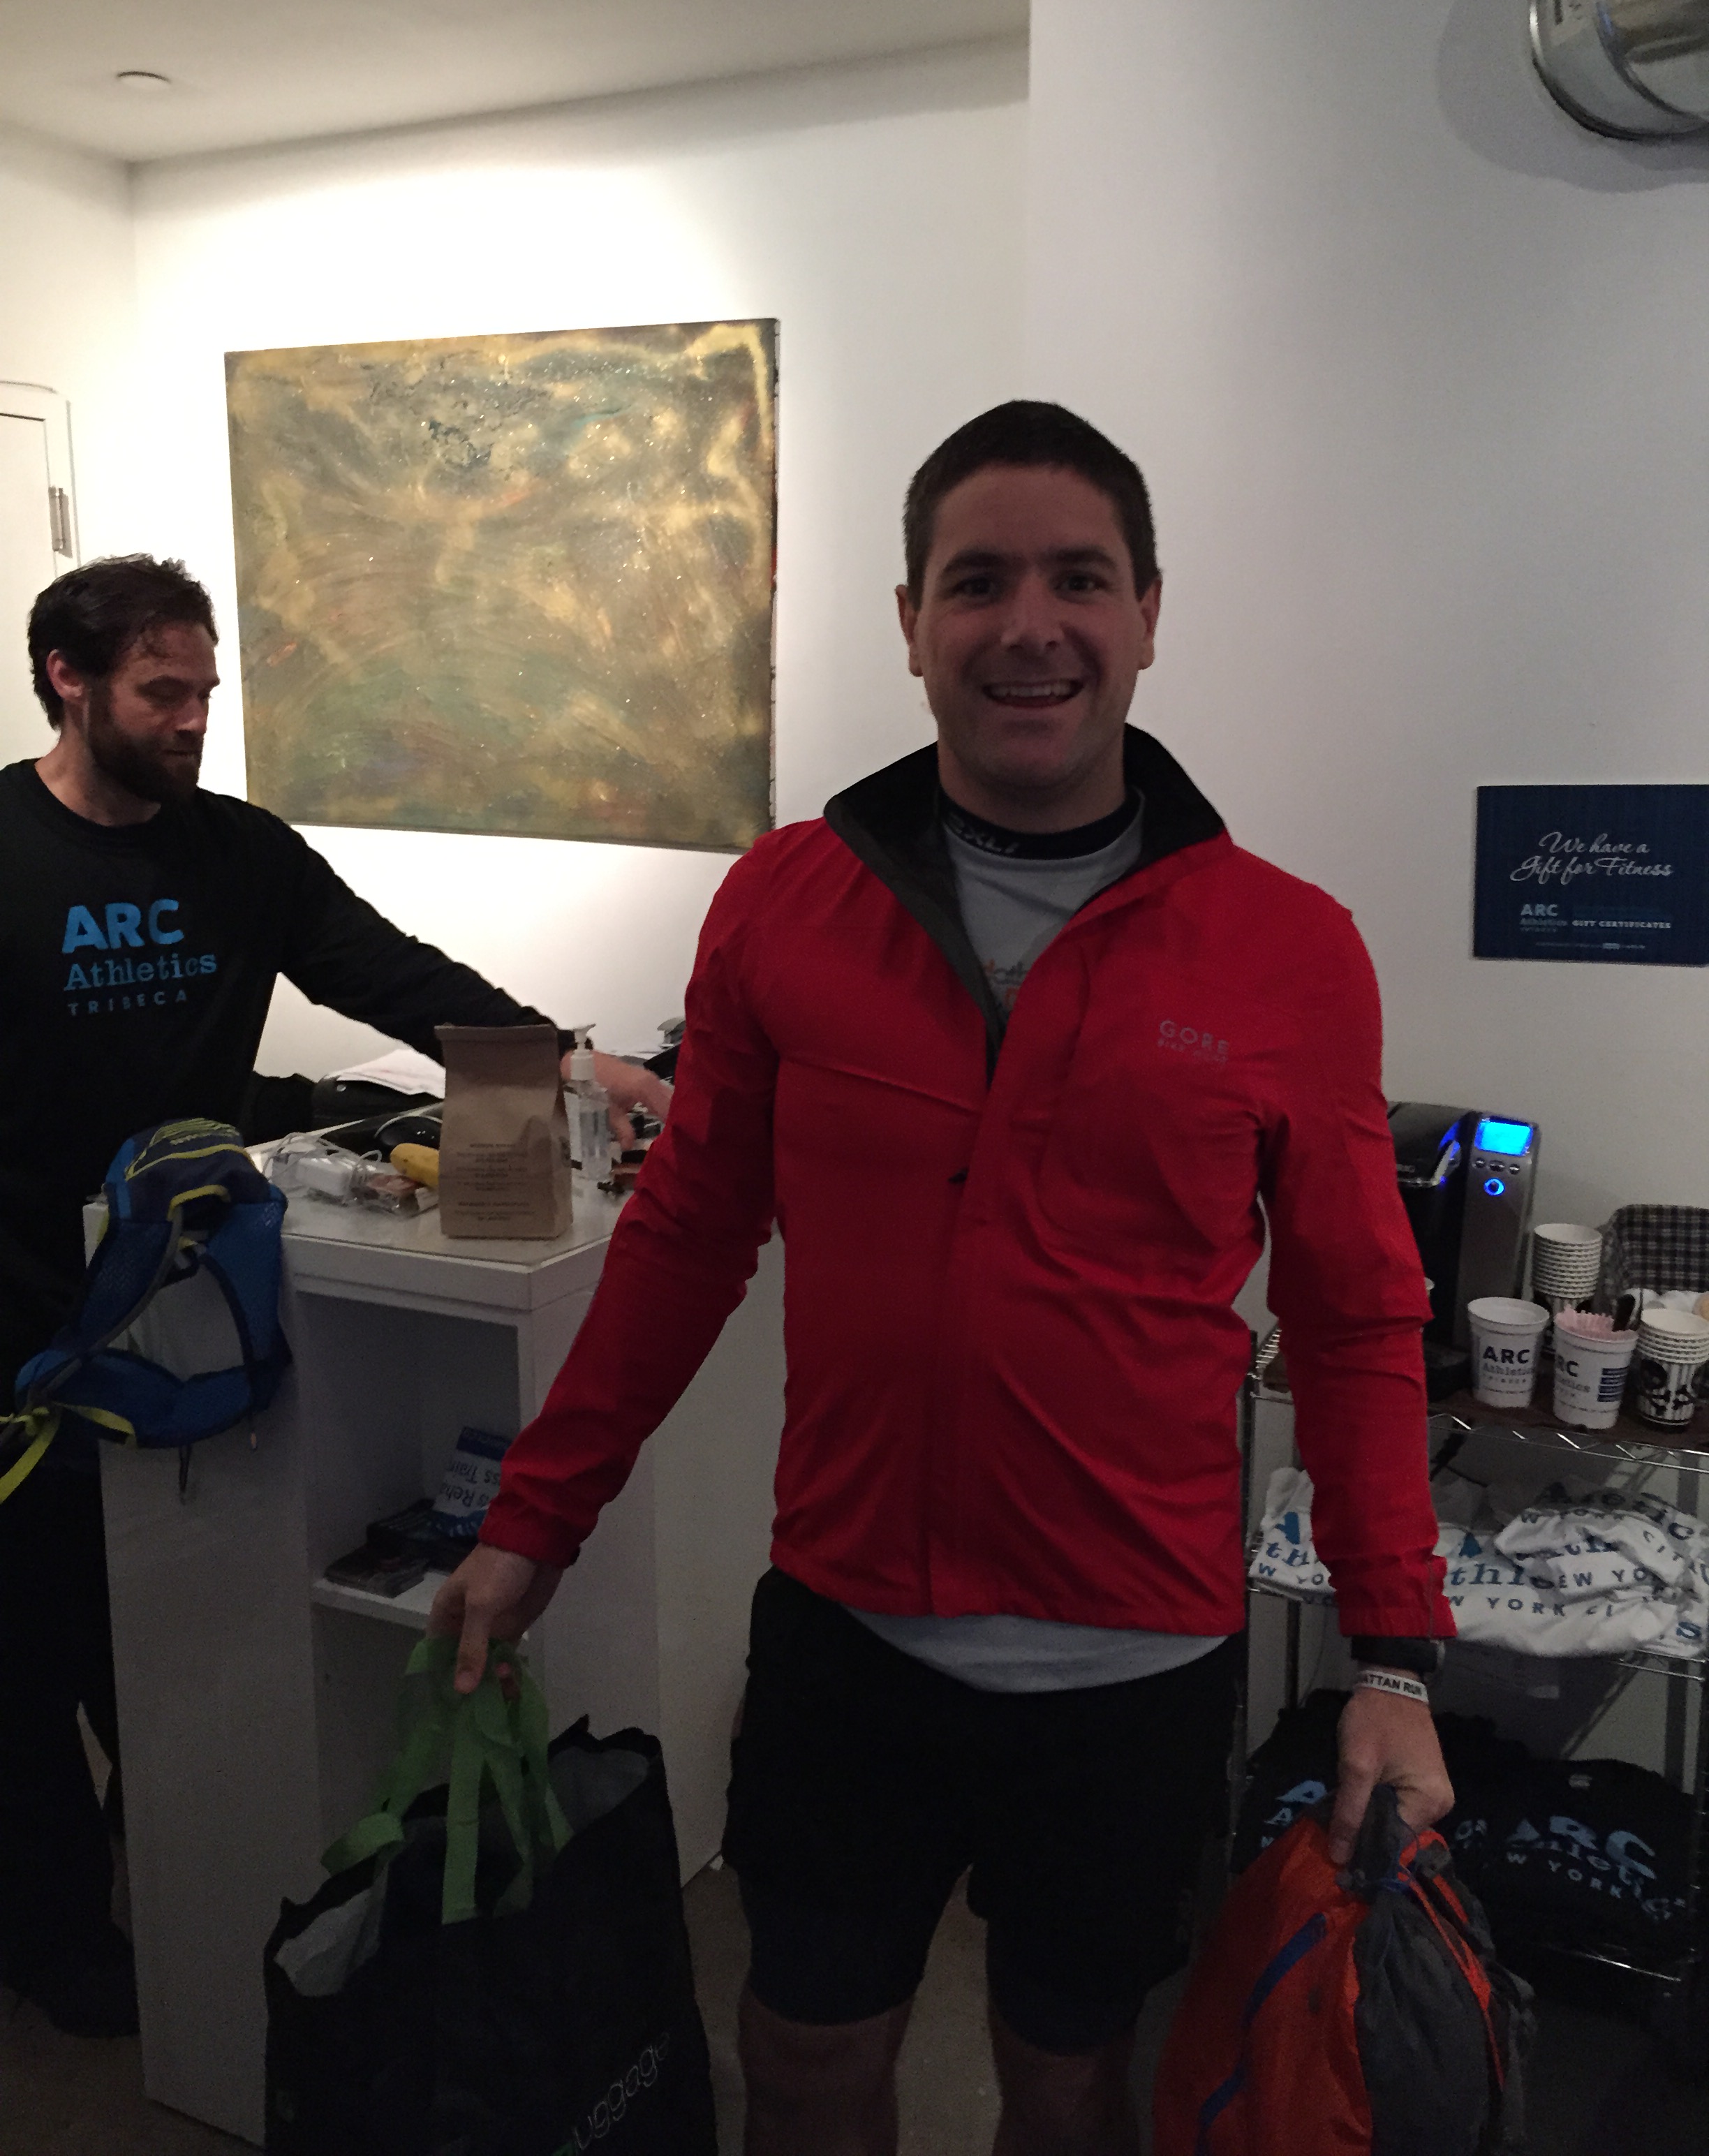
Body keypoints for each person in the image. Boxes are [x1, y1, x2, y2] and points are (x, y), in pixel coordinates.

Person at [432, 403, 1454, 2156]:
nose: (1028, 626)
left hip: (1134, 1662)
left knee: (1067, 2083)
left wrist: (1397, 1658)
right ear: (910, 622)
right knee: (804, 2058)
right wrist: (540, 1516)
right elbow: (686, 1236)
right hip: (849, 1633)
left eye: (1079, 579)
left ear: (1149, 613)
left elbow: (1356, 1317)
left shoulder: (1290, 948)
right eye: (978, 583)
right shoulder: (784, 901)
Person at [0, 554, 671, 2037]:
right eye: (162, 692)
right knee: (29, 1657)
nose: (194, 720)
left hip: (190, 1316)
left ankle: (182, 1896)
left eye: (205, 691)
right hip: (26, 1333)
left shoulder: (239, 854)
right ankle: (53, 1940)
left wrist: (571, 1060)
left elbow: (396, 976)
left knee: (168, 1634)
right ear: (68, 679)